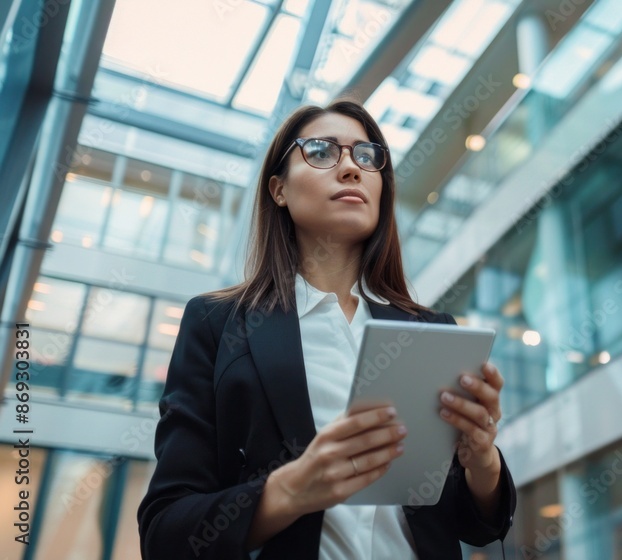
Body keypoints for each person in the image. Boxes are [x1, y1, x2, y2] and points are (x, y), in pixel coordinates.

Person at [137, 100, 515, 559]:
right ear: (278, 189)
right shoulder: (217, 324)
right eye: (320, 151)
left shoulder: (431, 331)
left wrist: (482, 462)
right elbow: (166, 534)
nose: (352, 169)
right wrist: (289, 490)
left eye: (366, 156)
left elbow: (476, 526)